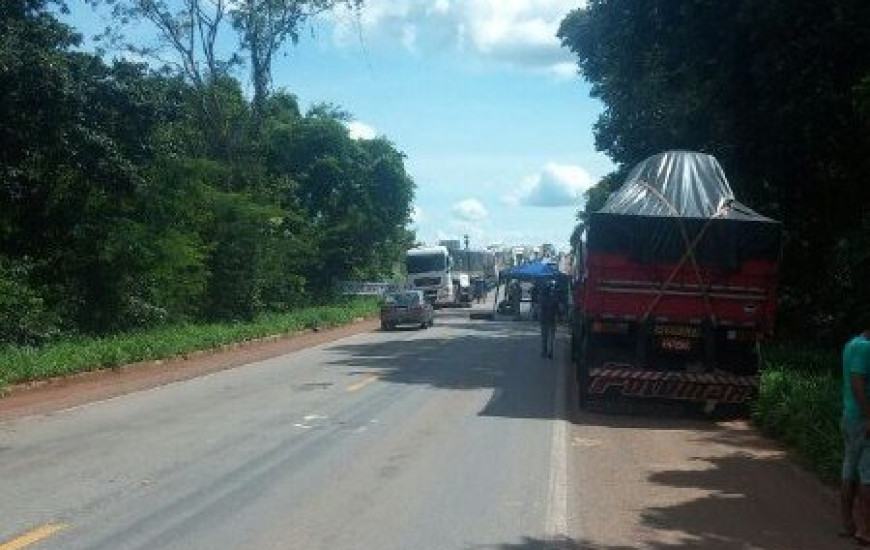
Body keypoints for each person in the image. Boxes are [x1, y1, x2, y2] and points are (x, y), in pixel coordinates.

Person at [841, 328, 870, 543]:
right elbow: (857, 381)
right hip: (862, 419)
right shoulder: (865, 348)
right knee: (867, 473)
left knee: (850, 470)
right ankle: (865, 530)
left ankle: (848, 524)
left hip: (851, 416)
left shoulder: (852, 344)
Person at [539, 280, 558, 358]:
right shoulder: (554, 300)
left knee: (544, 337)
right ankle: (551, 352)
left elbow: (540, 311)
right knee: (551, 337)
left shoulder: (542, 300)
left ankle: (544, 351)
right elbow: (557, 311)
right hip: (552, 320)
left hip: (544, 320)